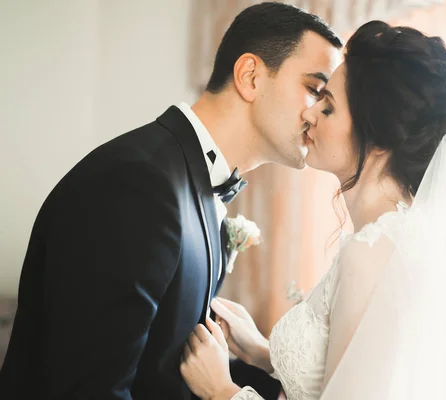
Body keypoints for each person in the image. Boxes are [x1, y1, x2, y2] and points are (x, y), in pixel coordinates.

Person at [0, 3, 342, 399]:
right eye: (315, 90)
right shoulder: (136, 184)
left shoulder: (194, 178)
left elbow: (162, 362)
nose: (321, 114)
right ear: (250, 76)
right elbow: (91, 386)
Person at [178, 21, 446, 400]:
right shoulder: (385, 241)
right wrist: (262, 352)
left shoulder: (372, 255)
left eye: (329, 107)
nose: (309, 115)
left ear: (378, 138)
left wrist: (222, 391)